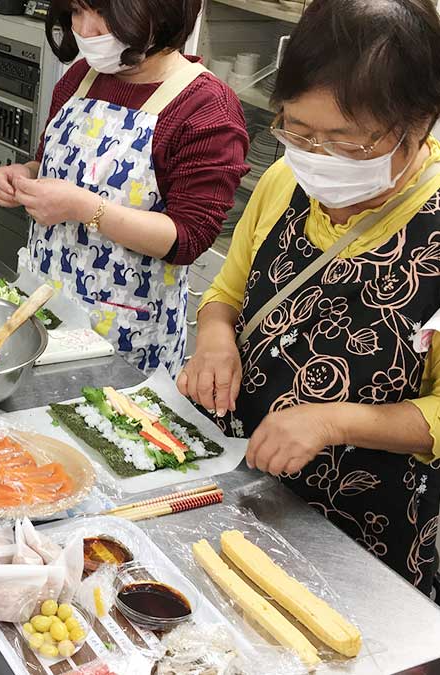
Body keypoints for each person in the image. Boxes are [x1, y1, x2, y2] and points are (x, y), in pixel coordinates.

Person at [179, 0, 440, 594]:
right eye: (298, 130)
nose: (317, 158)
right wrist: (215, 338)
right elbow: (226, 291)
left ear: (419, 123)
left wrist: (332, 421)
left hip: (363, 529)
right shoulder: (282, 179)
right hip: (237, 480)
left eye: (348, 143)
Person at [0, 0, 249, 376]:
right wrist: (25, 175)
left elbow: (189, 237)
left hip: (125, 333)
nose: (85, 30)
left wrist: (84, 209)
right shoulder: (81, 77)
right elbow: (50, 160)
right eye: (76, 12)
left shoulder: (205, 108)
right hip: (44, 303)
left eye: (103, 14)